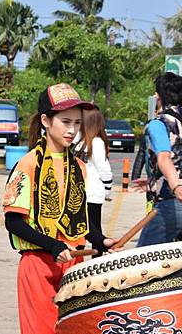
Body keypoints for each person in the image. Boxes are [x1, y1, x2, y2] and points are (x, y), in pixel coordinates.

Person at [2, 83, 120, 334]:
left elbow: (82, 218)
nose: (72, 130)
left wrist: (100, 240)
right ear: (46, 120)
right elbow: (13, 221)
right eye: (66, 122)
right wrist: (52, 245)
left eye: (77, 123)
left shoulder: (79, 166)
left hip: (73, 264)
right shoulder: (28, 164)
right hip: (38, 263)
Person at [137, 72, 182, 247]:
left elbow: (164, 157)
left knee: (145, 261)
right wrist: (154, 180)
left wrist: (176, 186)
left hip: (174, 203)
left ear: (158, 97)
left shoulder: (158, 123)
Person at [73, 106, 113, 253]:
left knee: (81, 230)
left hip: (79, 192)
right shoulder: (96, 142)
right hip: (94, 193)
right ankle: (97, 262)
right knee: (96, 232)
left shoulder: (77, 141)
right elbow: (105, 170)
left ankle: (78, 258)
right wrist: (108, 190)